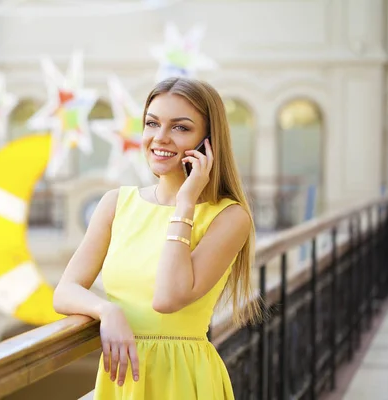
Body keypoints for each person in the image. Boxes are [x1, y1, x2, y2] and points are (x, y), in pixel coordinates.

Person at [53, 77, 260, 399]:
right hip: (121, 381)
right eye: (152, 123)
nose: (160, 138)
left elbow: (167, 298)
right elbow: (65, 291)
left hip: (182, 381)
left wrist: (186, 202)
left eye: (180, 128)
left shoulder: (230, 217)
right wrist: (107, 311)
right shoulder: (115, 203)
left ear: (208, 141)